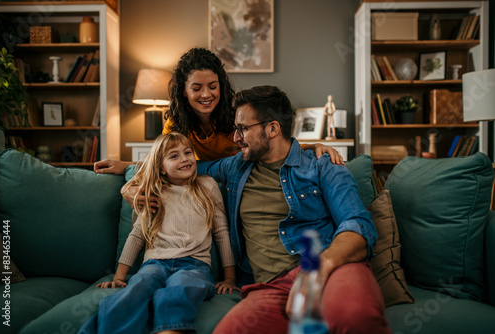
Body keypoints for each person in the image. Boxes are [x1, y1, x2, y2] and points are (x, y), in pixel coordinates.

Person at [192, 86, 392, 333]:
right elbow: (185, 166)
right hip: (271, 287)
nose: (235, 138)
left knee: (355, 317)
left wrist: (320, 268)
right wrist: (135, 172)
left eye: (243, 129)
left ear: (272, 128)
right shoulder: (235, 167)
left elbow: (359, 226)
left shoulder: (323, 165)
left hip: (332, 269)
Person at [94, 48, 345, 176]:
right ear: (183, 91)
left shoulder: (237, 114)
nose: (206, 95)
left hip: (240, 179)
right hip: (201, 179)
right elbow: (164, 161)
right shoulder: (176, 122)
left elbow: (270, 144)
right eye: (197, 88)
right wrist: (127, 167)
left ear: (221, 86)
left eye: (213, 86)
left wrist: (312, 147)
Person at [78, 132, 237, 334]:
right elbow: (137, 235)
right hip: (155, 262)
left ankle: (169, 330)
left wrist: (230, 278)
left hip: (194, 264)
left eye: (188, 152)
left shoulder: (208, 186)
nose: (185, 158)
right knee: (139, 287)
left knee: (181, 287)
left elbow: (222, 233)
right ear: (161, 168)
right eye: (174, 156)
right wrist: (119, 276)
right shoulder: (154, 193)